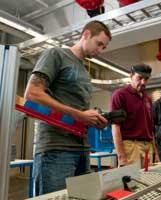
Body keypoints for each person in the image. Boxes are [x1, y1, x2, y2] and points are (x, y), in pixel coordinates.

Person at [24, 20, 111, 195]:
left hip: (82, 150)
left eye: (104, 47)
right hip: (56, 149)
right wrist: (79, 114)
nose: (100, 50)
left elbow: (79, 112)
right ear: (86, 35)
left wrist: (93, 120)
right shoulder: (56, 55)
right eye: (99, 44)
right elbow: (32, 93)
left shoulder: (85, 73)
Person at [110, 64, 159, 167]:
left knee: (149, 180)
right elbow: (115, 126)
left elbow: (150, 129)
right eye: (139, 78)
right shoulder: (120, 95)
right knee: (133, 182)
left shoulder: (147, 99)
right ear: (131, 76)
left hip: (148, 147)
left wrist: (156, 153)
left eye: (146, 79)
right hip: (131, 146)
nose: (143, 82)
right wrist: (121, 156)